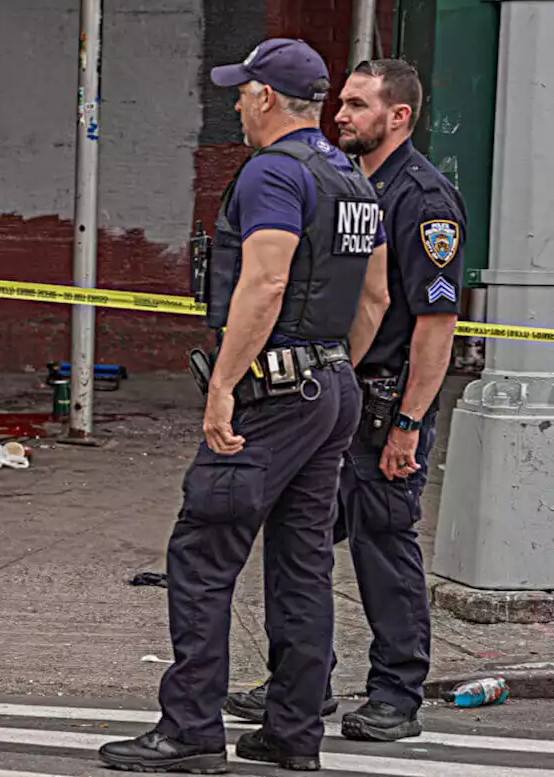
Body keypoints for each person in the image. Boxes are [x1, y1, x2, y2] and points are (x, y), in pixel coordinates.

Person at [98, 38, 390, 774]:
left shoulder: (272, 173)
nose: (234, 102)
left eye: (241, 90)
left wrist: (226, 383)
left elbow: (263, 283)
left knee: (201, 554)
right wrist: (330, 374)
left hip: (273, 391)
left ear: (265, 97)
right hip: (331, 386)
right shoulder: (351, 178)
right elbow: (375, 297)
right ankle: (294, 732)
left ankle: (191, 729)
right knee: (302, 565)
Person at [224, 58, 466, 743]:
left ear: (399, 116)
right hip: (336, 396)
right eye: (343, 103)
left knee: (384, 544)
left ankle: (396, 691)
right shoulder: (348, 180)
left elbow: (435, 324)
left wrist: (410, 424)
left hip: (387, 401)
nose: (341, 115)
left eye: (358, 105)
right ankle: (303, 680)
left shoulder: (424, 199)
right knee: (299, 541)